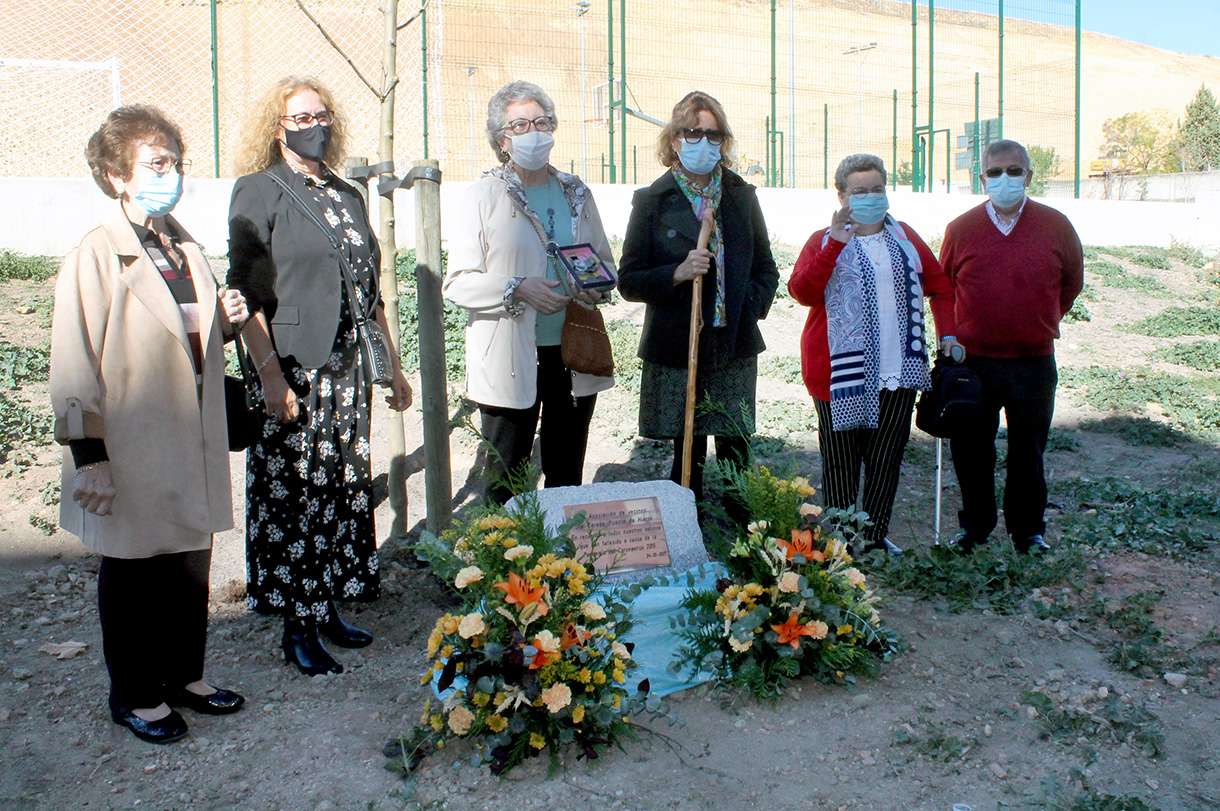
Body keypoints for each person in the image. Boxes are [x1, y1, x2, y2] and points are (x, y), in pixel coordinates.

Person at [51, 105, 248, 744]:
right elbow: (75, 360)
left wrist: (227, 318)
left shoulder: (180, 243)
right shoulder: (96, 254)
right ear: (116, 175)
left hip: (189, 435)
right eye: (156, 164)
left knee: (190, 561)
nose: (172, 174)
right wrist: (91, 457)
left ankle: (183, 676)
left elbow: (185, 333)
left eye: (176, 162)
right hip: (132, 440)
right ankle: (135, 694)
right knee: (134, 569)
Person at [227, 76, 413, 676]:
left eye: (320, 115)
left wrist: (393, 365)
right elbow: (248, 291)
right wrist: (269, 377)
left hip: (348, 369)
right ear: (276, 128)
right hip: (292, 368)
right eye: (299, 118)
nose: (313, 126)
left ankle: (327, 603)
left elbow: (371, 289)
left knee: (339, 488)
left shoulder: (346, 194)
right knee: (296, 494)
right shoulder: (259, 190)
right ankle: (296, 625)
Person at [444, 80, 615, 504]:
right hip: (509, 357)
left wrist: (593, 284)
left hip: (572, 350)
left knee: (565, 472)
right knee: (505, 475)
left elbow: (604, 264)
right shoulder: (484, 196)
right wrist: (518, 289)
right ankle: (506, 564)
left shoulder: (576, 191)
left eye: (541, 122)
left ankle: (562, 565)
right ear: (501, 140)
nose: (533, 133)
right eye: (519, 125)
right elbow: (458, 281)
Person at [618, 91, 778, 523]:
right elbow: (628, 279)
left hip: (733, 344)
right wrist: (676, 273)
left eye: (713, 134)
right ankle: (685, 529)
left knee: (736, 447)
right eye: (694, 132)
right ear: (674, 139)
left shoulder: (741, 196)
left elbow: (766, 268)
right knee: (687, 447)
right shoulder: (653, 201)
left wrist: (748, 310)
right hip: (678, 343)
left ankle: (744, 537)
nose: (704, 142)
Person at [788, 154, 960, 556]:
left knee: (886, 458)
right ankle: (844, 542)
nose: (869, 198)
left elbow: (941, 287)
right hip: (838, 374)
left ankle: (876, 535)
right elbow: (803, 292)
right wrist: (835, 243)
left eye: (877, 189)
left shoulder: (906, 239)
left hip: (898, 370)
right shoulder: (822, 240)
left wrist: (948, 334)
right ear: (842, 196)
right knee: (841, 461)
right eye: (859, 191)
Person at [940, 138, 1083, 555]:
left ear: (1029, 176)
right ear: (981, 178)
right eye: (995, 172)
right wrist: (950, 335)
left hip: (1033, 362)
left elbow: (1070, 284)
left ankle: (1028, 532)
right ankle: (976, 529)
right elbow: (945, 287)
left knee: (1028, 452)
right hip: (973, 363)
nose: (1005, 179)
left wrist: (1037, 321)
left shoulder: (1056, 226)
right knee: (971, 452)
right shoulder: (961, 229)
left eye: (1014, 171)